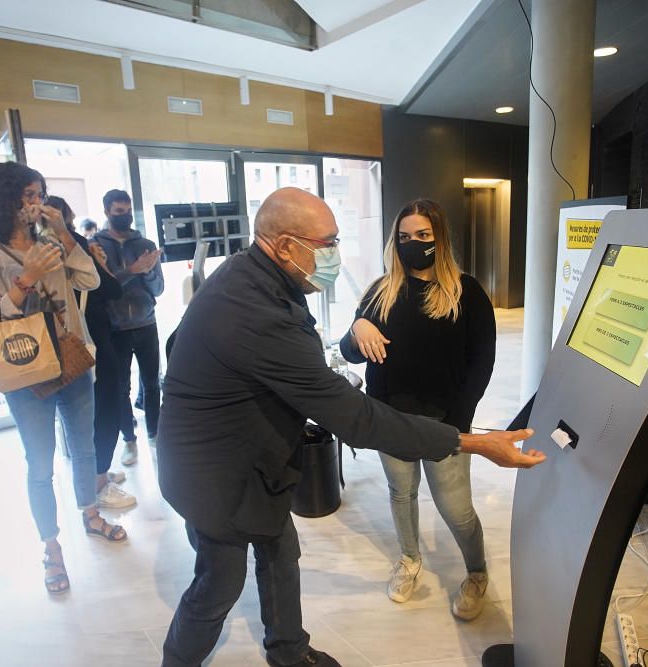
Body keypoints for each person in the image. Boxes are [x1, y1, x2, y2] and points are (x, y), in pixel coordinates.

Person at [157, 187, 546, 667]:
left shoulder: (257, 279)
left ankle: (290, 651)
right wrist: (471, 442)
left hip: (256, 464)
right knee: (219, 584)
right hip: (217, 476)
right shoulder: (255, 309)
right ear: (284, 246)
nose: (334, 254)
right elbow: (353, 416)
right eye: (326, 243)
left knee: (281, 553)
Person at [0, 163, 127, 596]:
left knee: (84, 448)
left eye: (39, 194)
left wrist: (66, 237)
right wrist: (27, 279)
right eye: (28, 195)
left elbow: (90, 279)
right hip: (25, 368)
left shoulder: (50, 238)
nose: (35, 202)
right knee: (40, 462)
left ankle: (91, 515)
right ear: (6, 199)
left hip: (71, 357)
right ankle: (51, 546)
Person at [339, 198, 496, 620]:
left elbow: (482, 363)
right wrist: (358, 327)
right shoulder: (380, 292)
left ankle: (477, 572)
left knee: (456, 508)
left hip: (445, 420)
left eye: (423, 236)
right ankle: (410, 559)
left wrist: (459, 424)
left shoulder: (468, 292)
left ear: (439, 238)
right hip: (389, 418)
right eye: (405, 237)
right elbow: (350, 353)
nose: (413, 244)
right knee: (401, 493)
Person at [46, 195, 136, 510]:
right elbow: (112, 290)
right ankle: (98, 482)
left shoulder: (42, 249)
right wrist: (99, 264)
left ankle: (95, 475)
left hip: (72, 340)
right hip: (93, 338)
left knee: (87, 413)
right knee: (104, 410)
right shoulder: (74, 247)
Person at [93, 189, 165, 466]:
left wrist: (147, 272)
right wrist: (131, 271)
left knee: (151, 383)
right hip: (115, 327)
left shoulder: (144, 243)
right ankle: (129, 440)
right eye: (118, 212)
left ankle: (155, 435)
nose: (124, 216)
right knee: (121, 386)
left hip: (147, 322)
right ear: (107, 211)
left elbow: (158, 289)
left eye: (128, 210)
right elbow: (103, 290)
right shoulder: (96, 247)